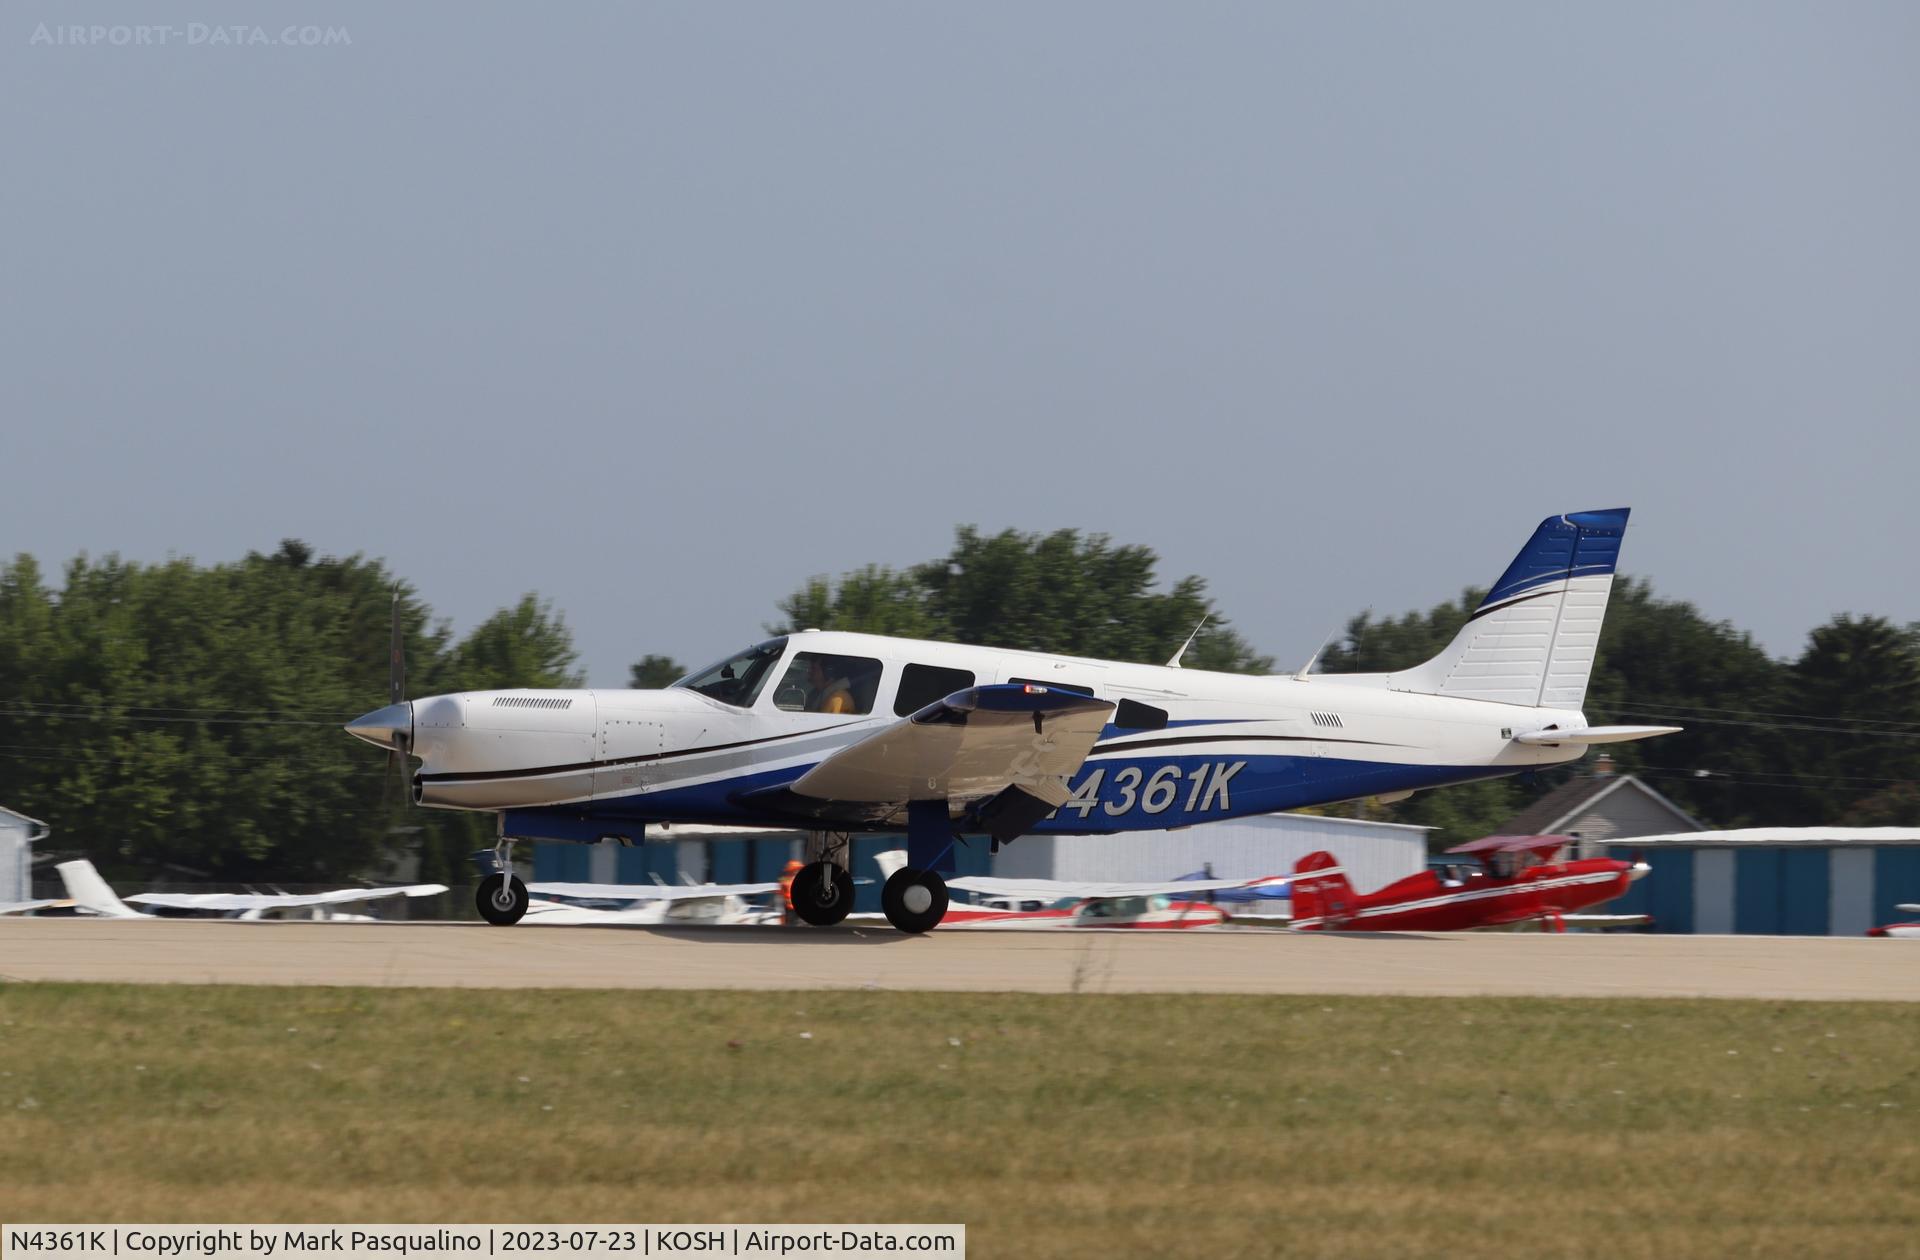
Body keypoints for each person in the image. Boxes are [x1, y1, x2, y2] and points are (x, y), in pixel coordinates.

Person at [778, 859, 805, 925]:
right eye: (797, 869)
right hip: (790, 908)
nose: (798, 871)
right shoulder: (787, 881)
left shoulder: (784, 881)